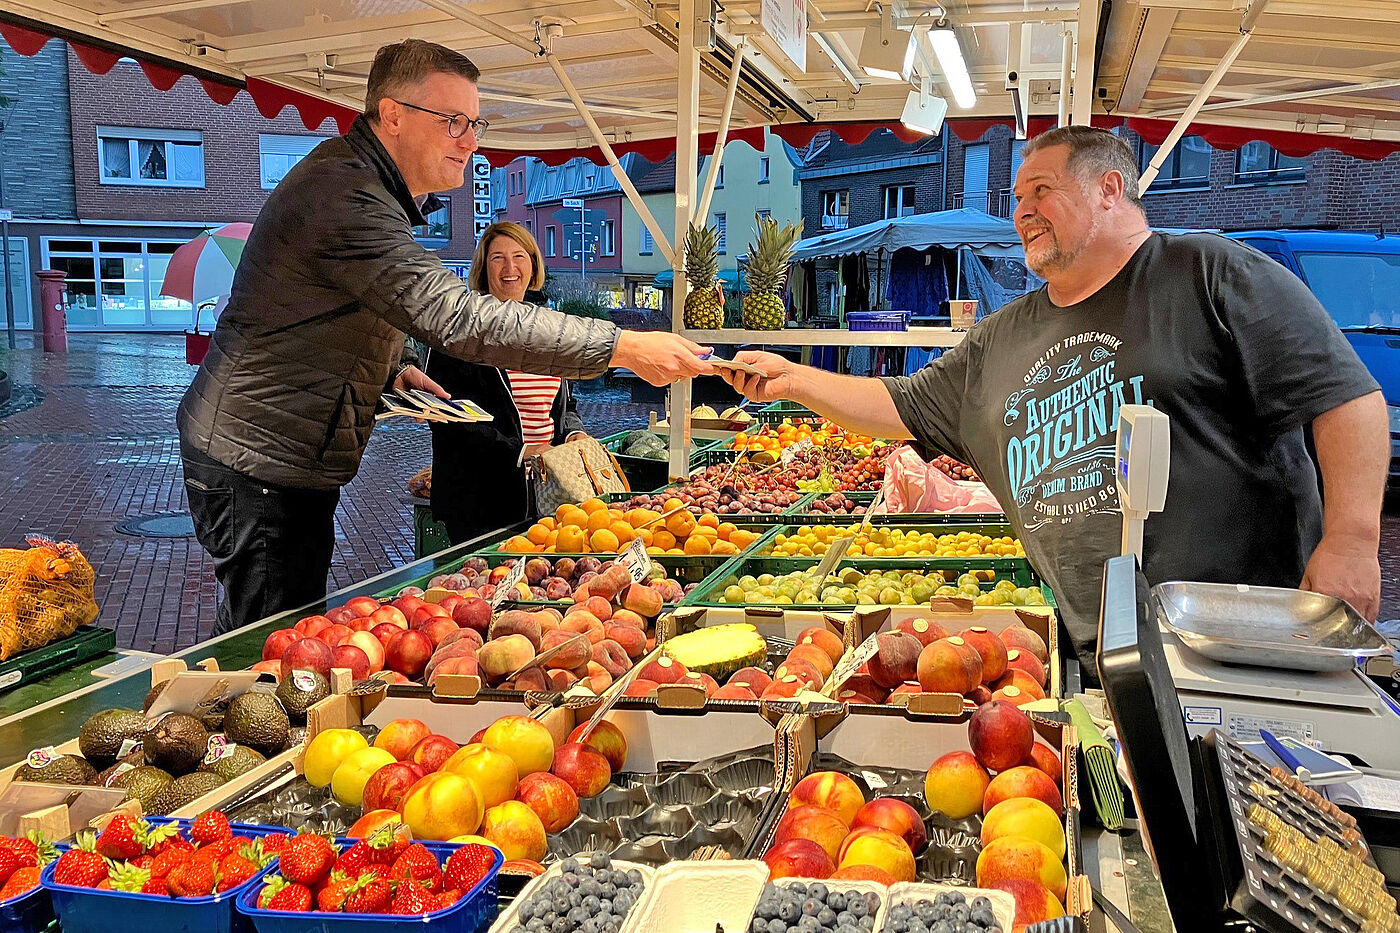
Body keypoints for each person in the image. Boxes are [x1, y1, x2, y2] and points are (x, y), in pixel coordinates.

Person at [719, 126, 1385, 676]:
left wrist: (1352, 541)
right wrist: (794, 381)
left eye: (1043, 189)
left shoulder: (1210, 273)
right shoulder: (1003, 337)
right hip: (1095, 656)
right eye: (1017, 197)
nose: (1023, 210)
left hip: (1243, 642)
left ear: (1109, 190)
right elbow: (899, 403)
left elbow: (1347, 397)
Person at [177, 39, 712, 635]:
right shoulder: (346, 195)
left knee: (290, 623)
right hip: (255, 457)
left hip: (280, 453)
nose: (471, 140)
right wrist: (622, 346)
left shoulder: (364, 187)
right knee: (273, 640)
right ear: (394, 114)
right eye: (453, 121)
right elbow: (454, 316)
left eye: (475, 123)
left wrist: (391, 363)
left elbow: (351, 305)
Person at [424, 222, 589, 545]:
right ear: (483, 268)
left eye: (519, 256)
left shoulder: (547, 331)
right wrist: (521, 451)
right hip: (479, 500)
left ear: (533, 264)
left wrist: (573, 431)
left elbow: (563, 405)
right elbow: (446, 418)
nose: (510, 268)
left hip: (544, 495)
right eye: (498, 258)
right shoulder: (461, 332)